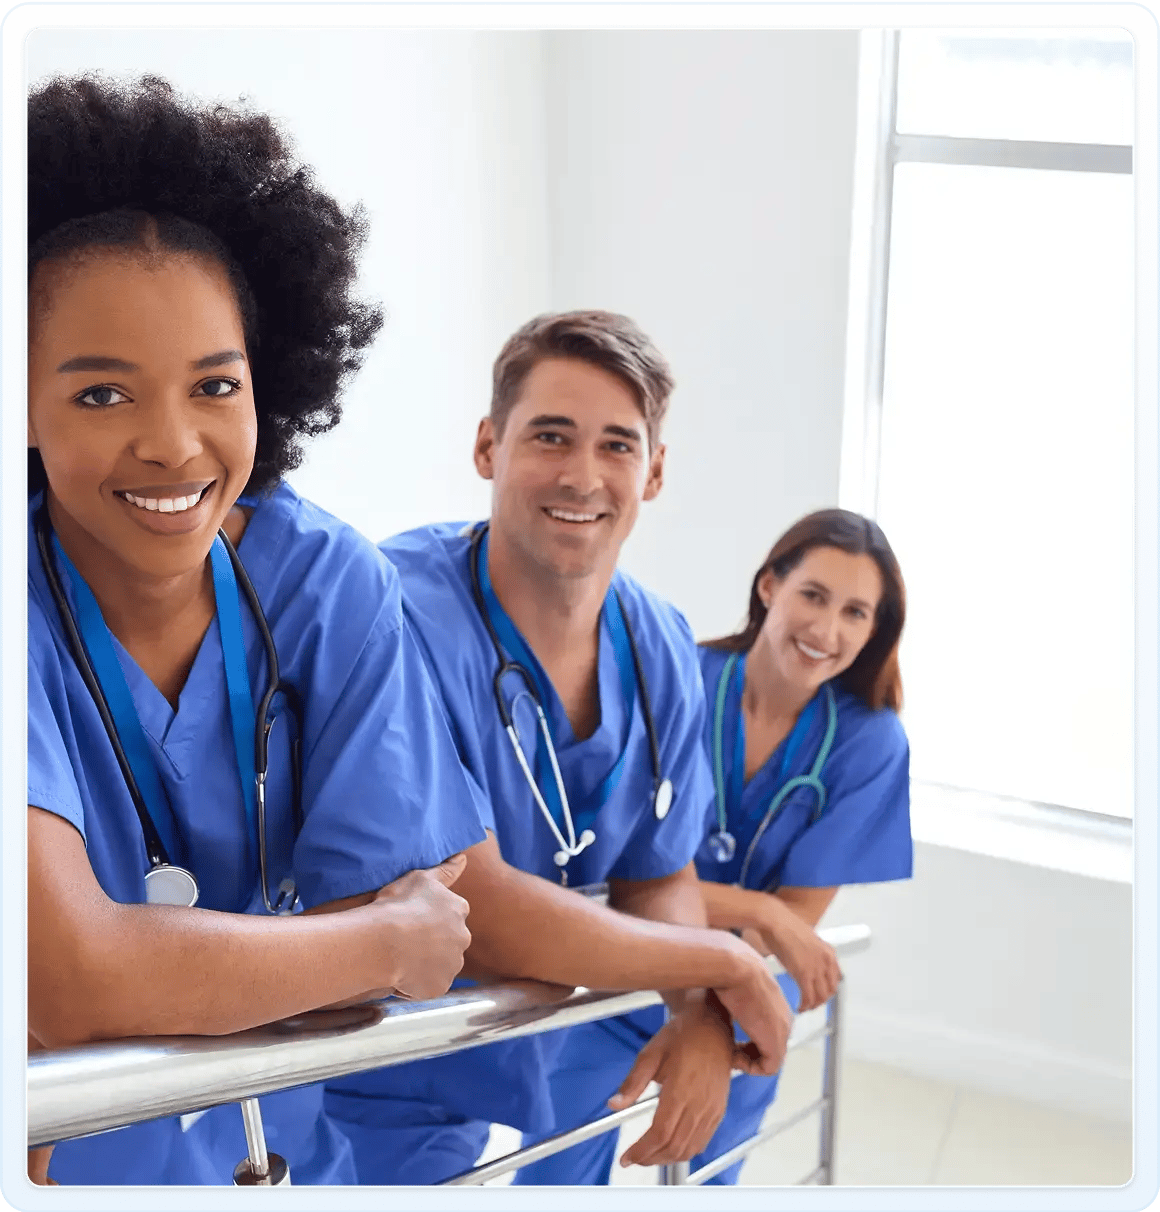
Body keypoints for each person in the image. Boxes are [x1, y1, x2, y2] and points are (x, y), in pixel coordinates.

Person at [25, 75, 487, 1186]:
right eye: (101, 395)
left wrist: (160, 965)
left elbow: (401, 902)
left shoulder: (324, 578)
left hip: (269, 1152)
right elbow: (71, 980)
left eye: (213, 385)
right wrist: (378, 943)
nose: (174, 446)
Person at [324, 311, 794, 1185]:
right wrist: (721, 958)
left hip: (562, 1015)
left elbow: (657, 872)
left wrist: (693, 1008)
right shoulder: (394, 614)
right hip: (398, 1044)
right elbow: (477, 905)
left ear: (653, 472)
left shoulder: (660, 642)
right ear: (487, 446)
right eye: (551, 436)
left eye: (618, 445)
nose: (583, 475)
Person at [516, 508, 913, 1185]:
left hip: (745, 999)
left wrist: (750, 946)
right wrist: (760, 912)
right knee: (554, 1166)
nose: (827, 630)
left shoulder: (871, 744)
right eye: (813, 595)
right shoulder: (678, 680)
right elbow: (614, 877)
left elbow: (797, 921)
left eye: (856, 612)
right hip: (620, 969)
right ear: (769, 588)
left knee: (710, 1174)